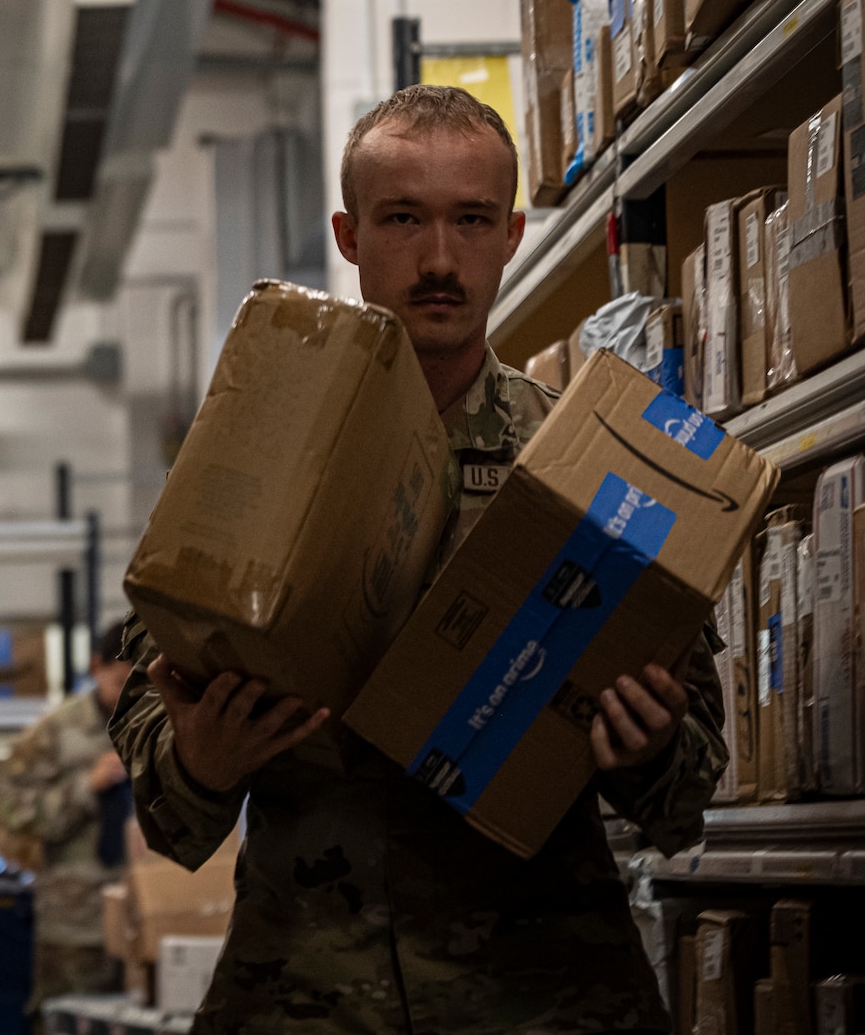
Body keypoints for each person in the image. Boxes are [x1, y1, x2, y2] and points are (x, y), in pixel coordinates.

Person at [108, 84, 728, 1034]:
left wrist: (647, 751)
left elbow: (687, 796)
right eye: (403, 218)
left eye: (471, 219)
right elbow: (164, 790)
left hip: (544, 999)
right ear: (349, 234)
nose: (440, 259)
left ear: (513, 232)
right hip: (303, 996)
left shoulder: (595, 469)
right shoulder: (255, 454)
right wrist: (197, 759)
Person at [0, 621, 137, 1019]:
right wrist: (86, 787)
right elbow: (15, 812)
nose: (130, 695)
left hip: (146, 910)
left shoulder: (162, 727)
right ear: (96, 666)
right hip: (76, 921)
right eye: (120, 681)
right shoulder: (55, 732)